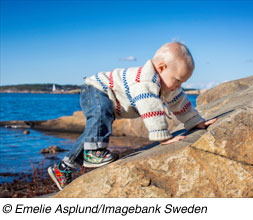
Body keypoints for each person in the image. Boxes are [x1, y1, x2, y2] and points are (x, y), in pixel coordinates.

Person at [48, 42, 217, 190]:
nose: (178, 86)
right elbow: (150, 106)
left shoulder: (167, 85)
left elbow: (180, 103)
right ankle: (94, 153)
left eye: (182, 83)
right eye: (178, 80)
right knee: (100, 116)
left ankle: (63, 168)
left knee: (93, 133)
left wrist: (195, 122)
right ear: (161, 68)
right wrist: (162, 136)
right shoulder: (145, 81)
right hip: (97, 89)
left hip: (111, 98)